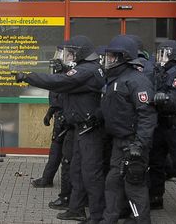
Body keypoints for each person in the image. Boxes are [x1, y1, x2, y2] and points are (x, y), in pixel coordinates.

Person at [14, 35, 106, 223]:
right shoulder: (87, 69)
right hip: (82, 129)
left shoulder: (87, 70)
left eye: (71, 53)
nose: (68, 56)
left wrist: (27, 77)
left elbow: (58, 83)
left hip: (89, 131)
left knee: (91, 175)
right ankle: (76, 210)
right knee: (77, 171)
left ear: (81, 53)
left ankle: (97, 216)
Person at [100, 35, 157, 224]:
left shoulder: (137, 81)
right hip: (119, 142)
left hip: (134, 144)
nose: (109, 61)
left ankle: (141, 221)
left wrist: (139, 145)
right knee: (113, 182)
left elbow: (147, 116)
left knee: (134, 186)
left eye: (113, 57)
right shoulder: (115, 79)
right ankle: (110, 219)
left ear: (124, 57)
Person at [148, 40, 176, 210]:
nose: (159, 58)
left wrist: (164, 98)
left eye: (162, 54)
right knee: (156, 162)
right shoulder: (160, 72)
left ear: (171, 54)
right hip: (160, 124)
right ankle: (155, 196)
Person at [31, 45, 66, 188]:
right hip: (60, 116)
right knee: (56, 150)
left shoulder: (70, 76)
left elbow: (65, 99)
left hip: (66, 119)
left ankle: (50, 180)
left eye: (62, 54)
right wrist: (50, 112)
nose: (58, 57)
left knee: (59, 152)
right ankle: (48, 178)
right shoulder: (59, 75)